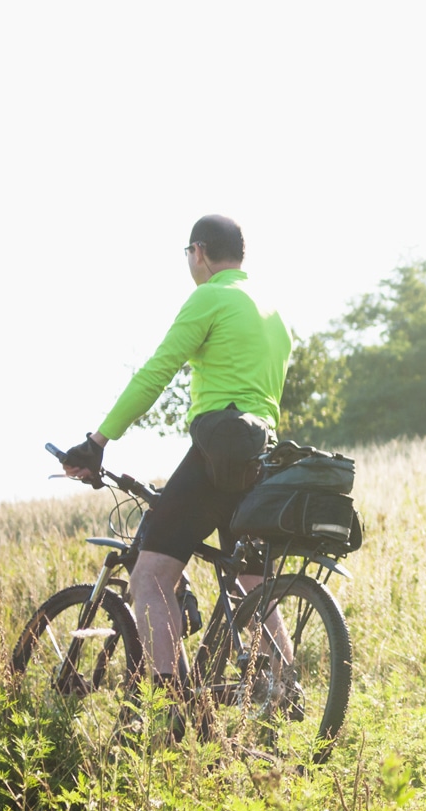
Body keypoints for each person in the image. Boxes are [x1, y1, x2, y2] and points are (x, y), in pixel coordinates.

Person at [63, 214, 293, 689]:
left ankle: (172, 709)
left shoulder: (210, 296)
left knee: (150, 574)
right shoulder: (274, 311)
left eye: (189, 255)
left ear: (199, 253)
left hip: (218, 450)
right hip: (262, 459)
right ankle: (287, 686)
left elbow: (156, 372)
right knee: (253, 586)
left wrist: (97, 442)